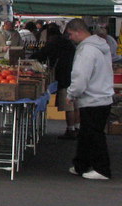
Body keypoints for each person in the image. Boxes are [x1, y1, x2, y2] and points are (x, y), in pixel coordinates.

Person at [64, 18, 114, 180]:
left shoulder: (86, 51)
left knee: (94, 135)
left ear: (78, 32)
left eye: (70, 34)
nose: (70, 38)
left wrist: (71, 94)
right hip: (101, 96)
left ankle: (102, 169)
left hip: (92, 98)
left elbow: (80, 77)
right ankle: (81, 165)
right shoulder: (100, 47)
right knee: (87, 134)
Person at [32, 22, 77, 139]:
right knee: (74, 105)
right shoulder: (67, 42)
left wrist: (29, 58)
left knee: (68, 104)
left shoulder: (53, 42)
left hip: (65, 76)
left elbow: (42, 54)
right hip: (72, 74)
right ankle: (76, 127)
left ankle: (71, 130)